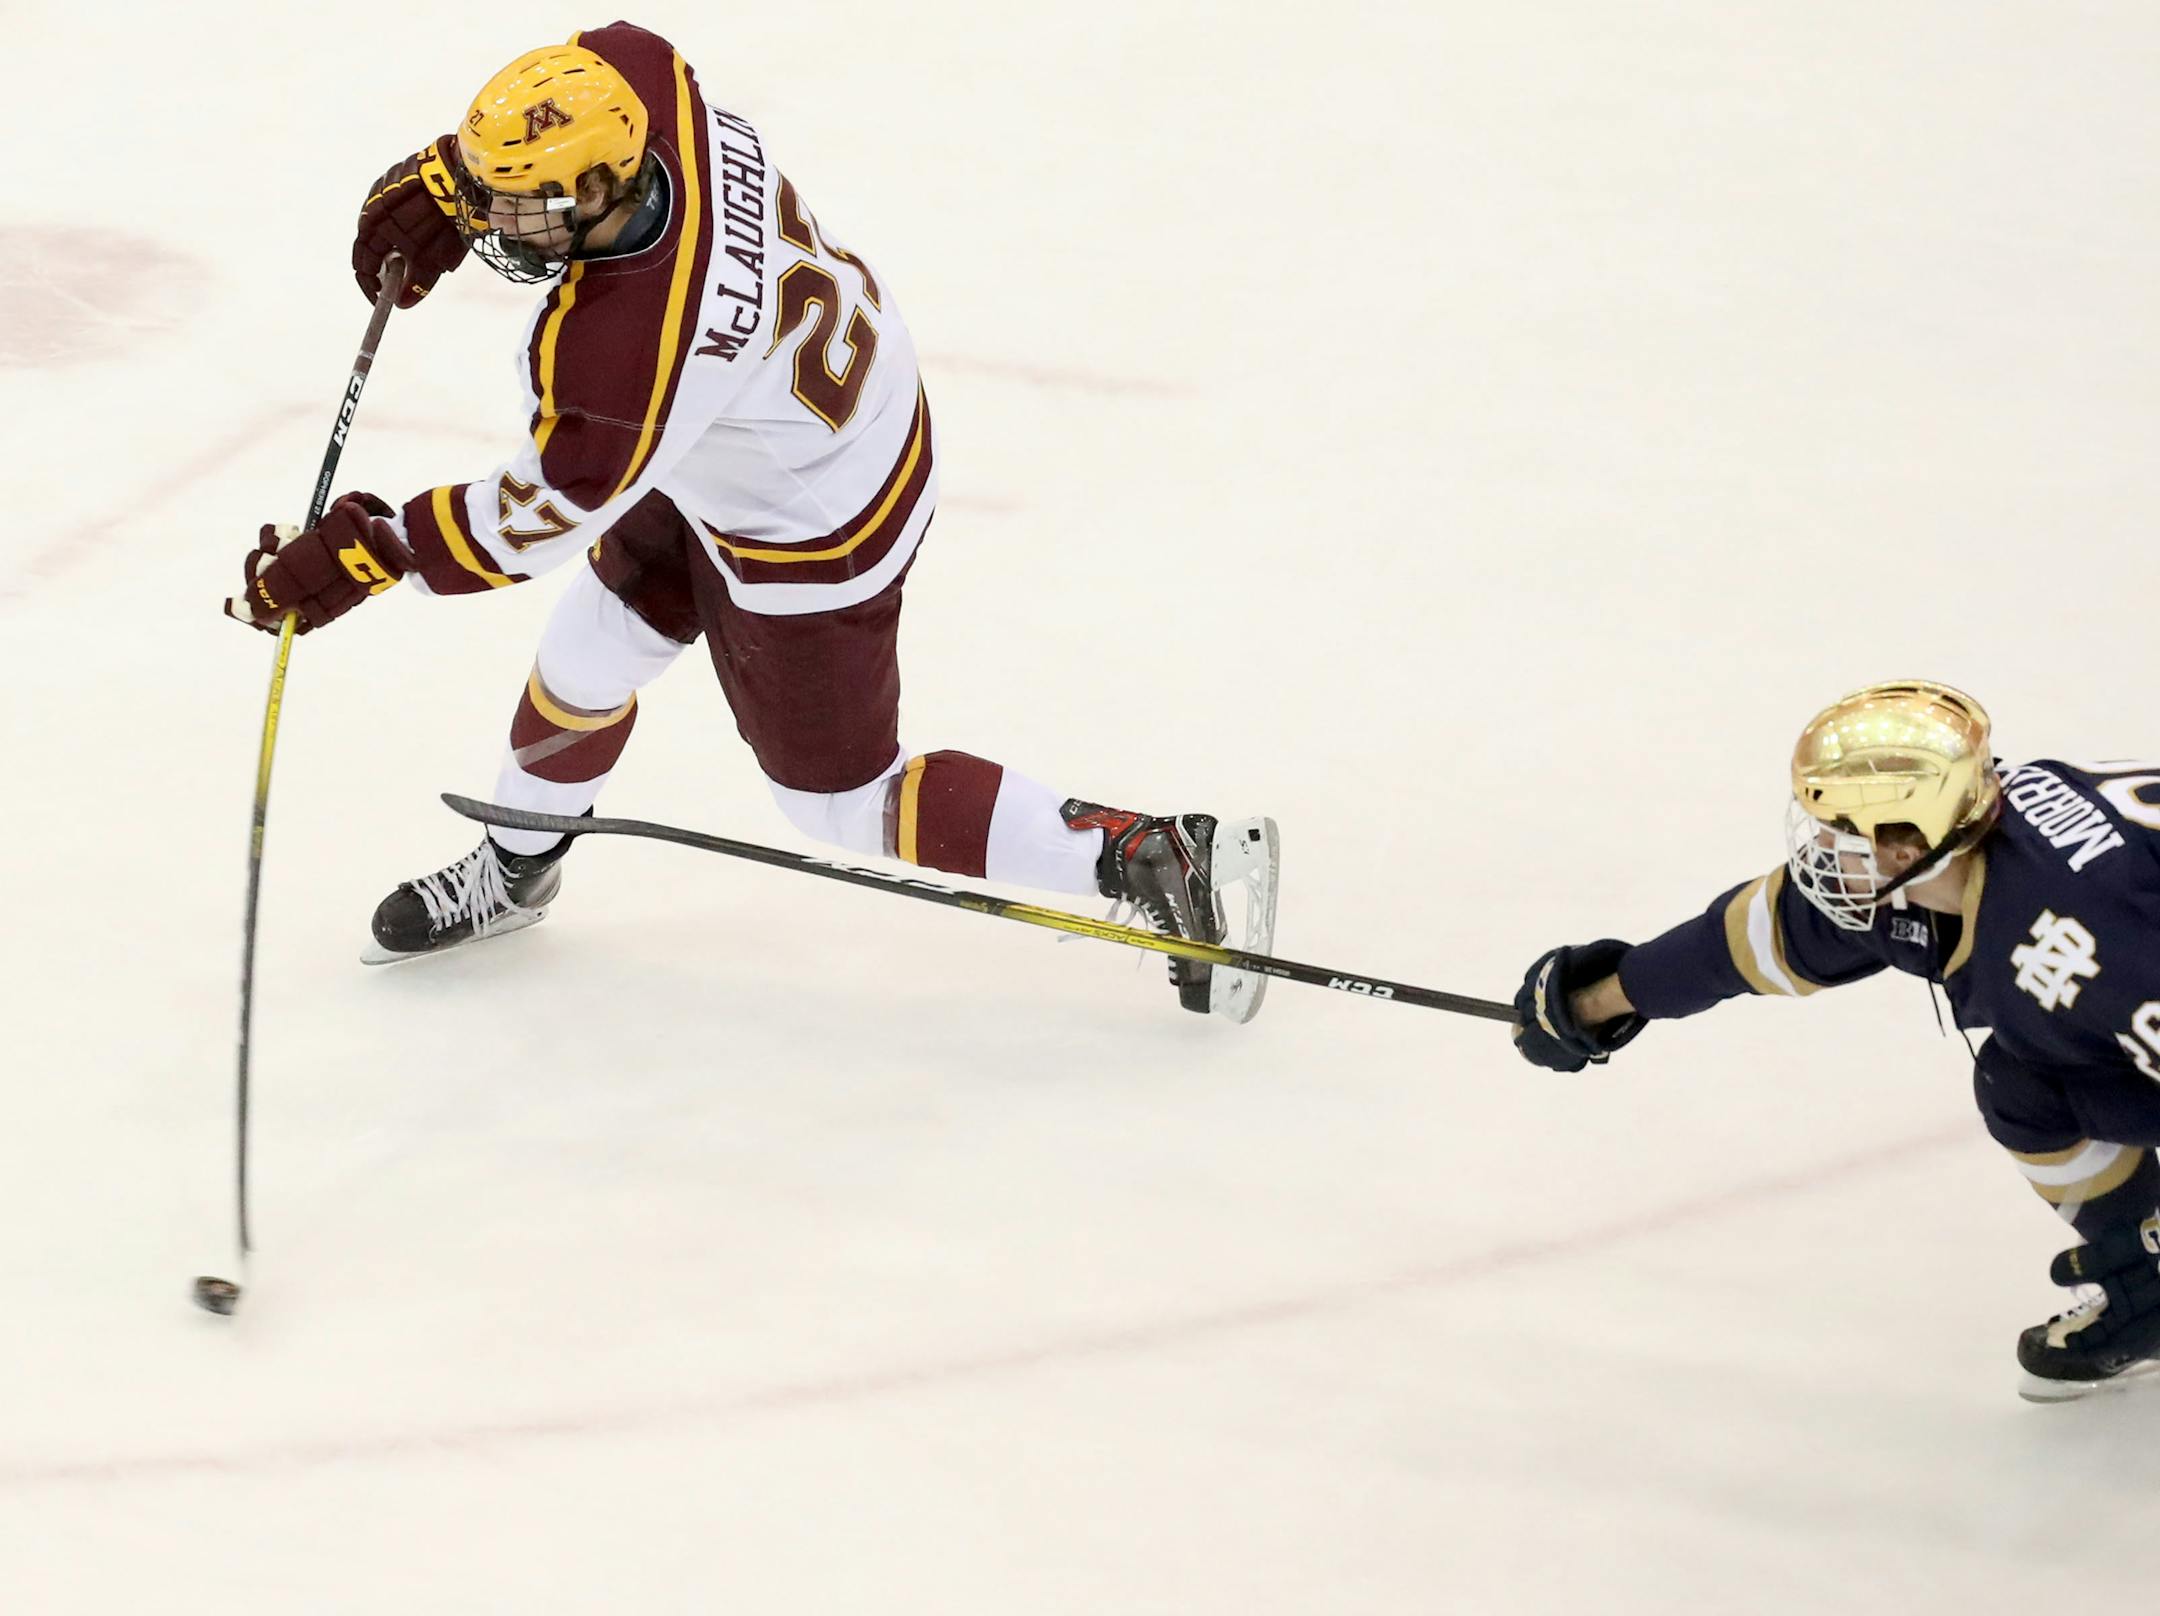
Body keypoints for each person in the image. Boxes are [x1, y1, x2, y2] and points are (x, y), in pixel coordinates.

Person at [222, 23, 1279, 1019]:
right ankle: (517, 868)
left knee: (838, 801)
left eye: (523, 205)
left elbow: (530, 522)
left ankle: (1141, 852)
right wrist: (455, 175)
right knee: (589, 656)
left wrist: (374, 550)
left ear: (599, 188)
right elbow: (589, 71)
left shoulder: (624, 354)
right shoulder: (647, 83)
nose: (501, 223)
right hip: (761, 427)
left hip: (813, 524)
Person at [1511, 679, 2160, 1400]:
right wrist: (1604, 998)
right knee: (2024, 1084)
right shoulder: (1952, 864)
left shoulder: (2092, 951)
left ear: (1909, 844)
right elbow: (1784, 930)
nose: (1821, 853)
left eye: (1840, 836)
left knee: (2034, 1082)